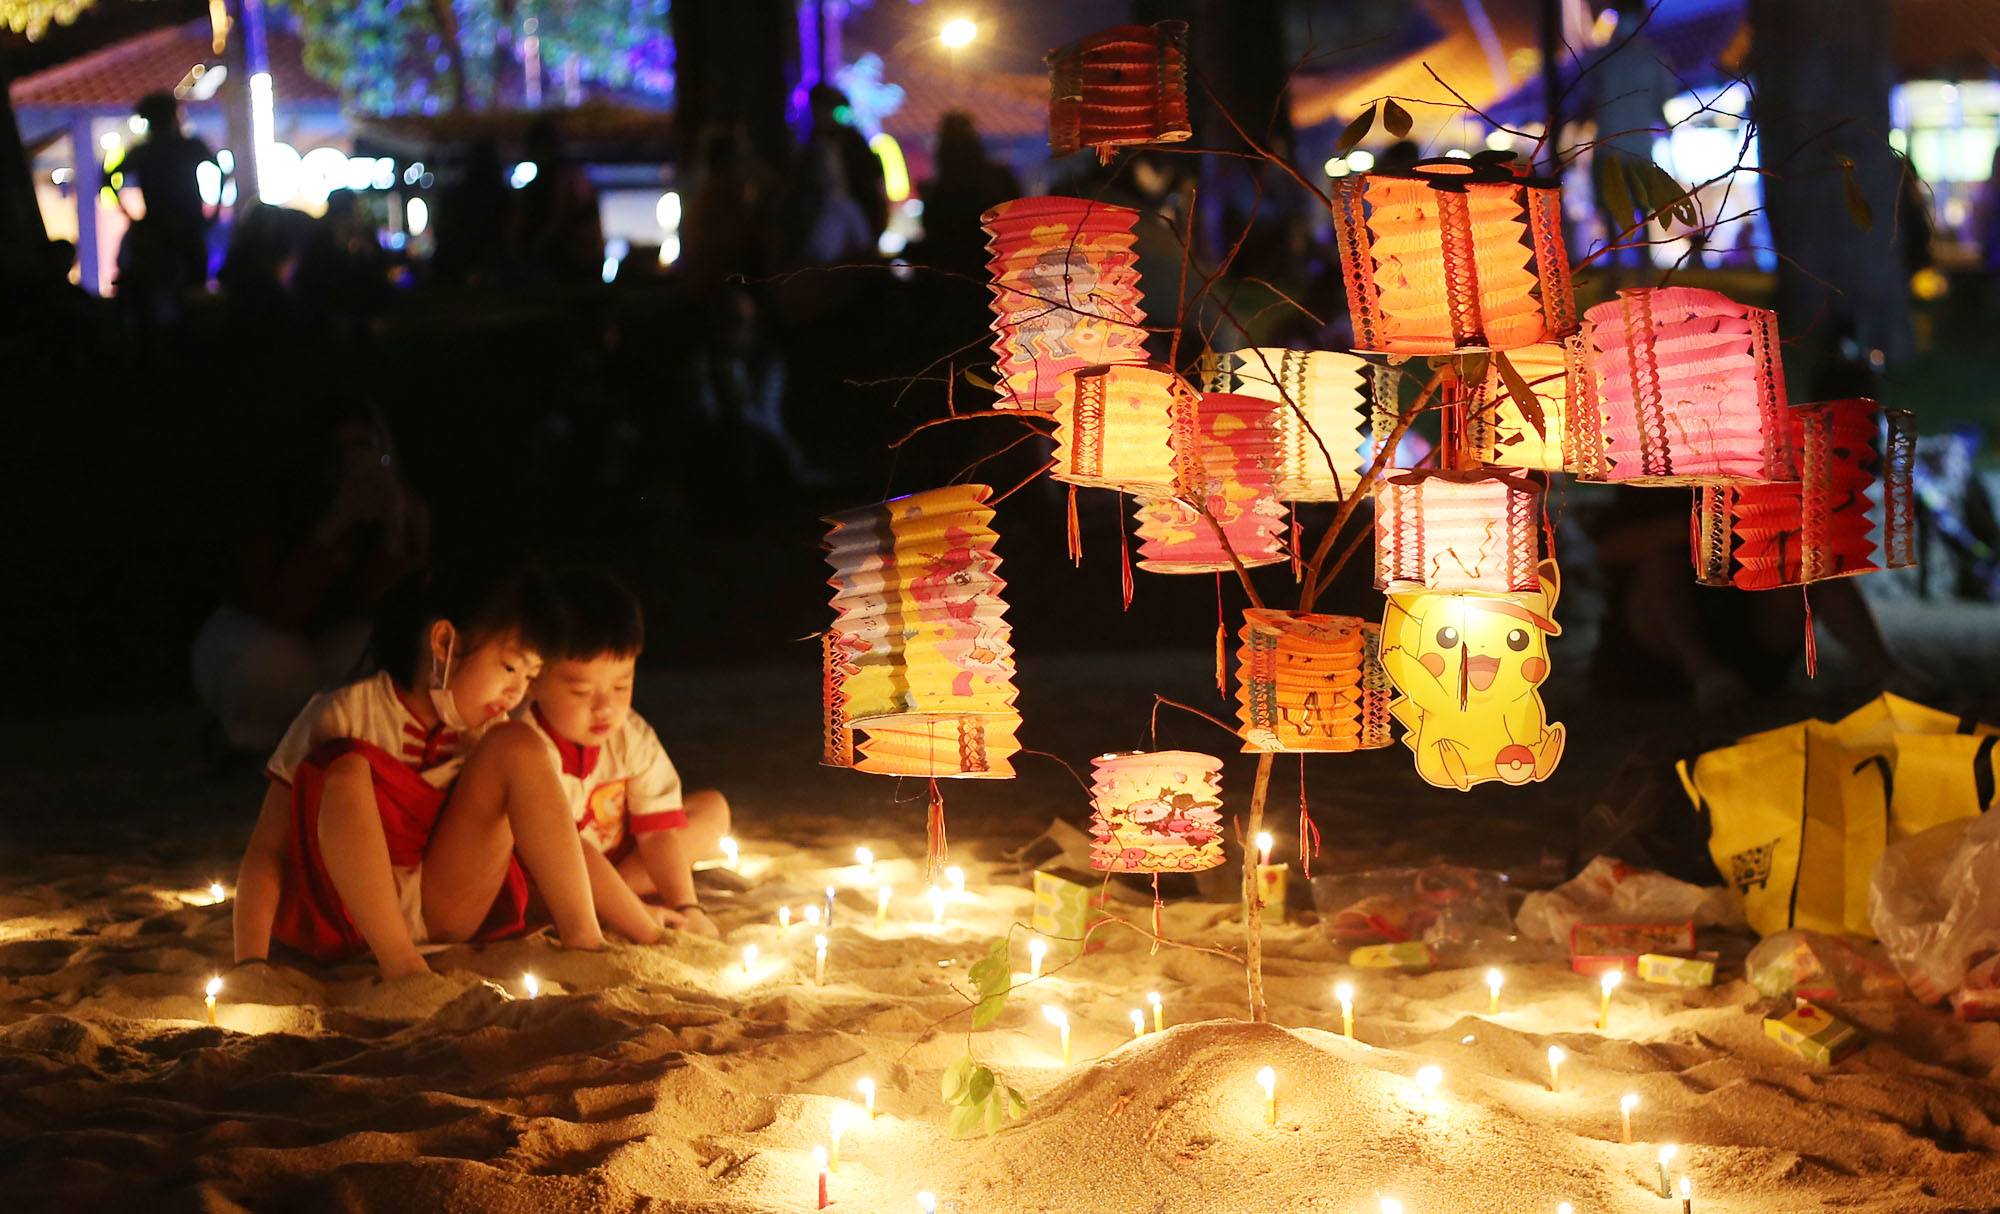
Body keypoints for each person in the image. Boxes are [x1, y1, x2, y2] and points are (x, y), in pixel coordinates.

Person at [232, 558, 609, 980]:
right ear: (444, 642)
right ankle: (402, 965)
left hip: (446, 908)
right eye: (508, 667)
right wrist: (249, 962)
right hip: (351, 922)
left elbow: (558, 840)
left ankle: (585, 941)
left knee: (518, 744)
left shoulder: (490, 732)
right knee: (346, 767)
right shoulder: (344, 711)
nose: (516, 691)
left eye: (530, 676)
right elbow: (268, 848)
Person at [192, 403, 430, 758]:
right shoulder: (277, 508)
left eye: (370, 447)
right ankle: (246, 743)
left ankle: (335, 748)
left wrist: (398, 537)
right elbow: (279, 608)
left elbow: (391, 606)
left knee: (377, 655)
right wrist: (334, 527)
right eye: (345, 450)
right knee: (273, 661)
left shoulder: (393, 509)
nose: (359, 461)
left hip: (324, 647)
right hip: (251, 642)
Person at [520, 569, 731, 942]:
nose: (606, 708)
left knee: (713, 809)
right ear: (533, 679)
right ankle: (610, 905)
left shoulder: (629, 734)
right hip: (552, 882)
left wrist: (686, 907)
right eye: (582, 692)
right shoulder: (526, 745)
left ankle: (614, 900)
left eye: (621, 685)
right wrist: (638, 920)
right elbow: (567, 852)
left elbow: (657, 833)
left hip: (621, 866)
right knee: (560, 870)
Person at [106, 92, 218, 315]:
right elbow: (222, 170)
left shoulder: (145, 151)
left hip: (159, 231)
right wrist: (212, 214)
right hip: (185, 228)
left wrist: (131, 216)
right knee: (192, 292)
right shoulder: (188, 146)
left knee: (159, 293)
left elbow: (108, 178)